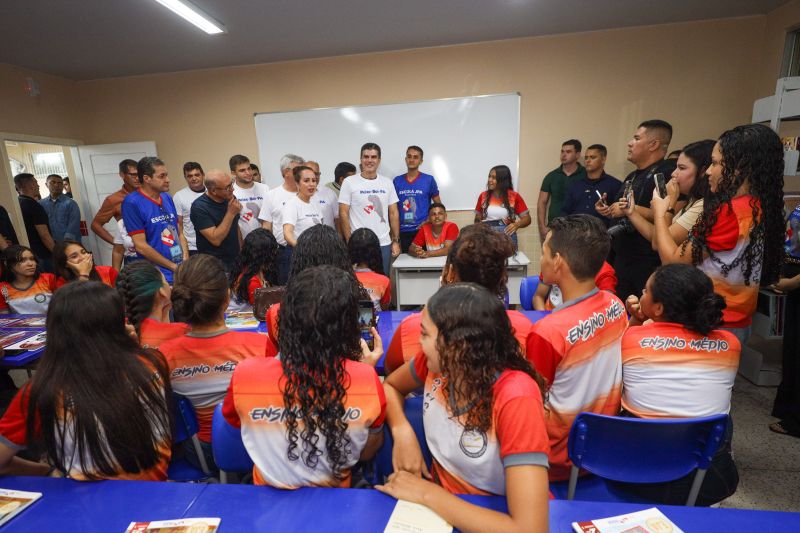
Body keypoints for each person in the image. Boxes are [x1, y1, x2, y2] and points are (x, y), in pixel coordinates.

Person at [378, 283, 549, 532]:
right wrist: (402, 431)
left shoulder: (516, 397)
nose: (419, 341)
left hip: (489, 513)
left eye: (425, 334)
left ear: (455, 346)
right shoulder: (435, 363)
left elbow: (531, 528)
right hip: (443, 513)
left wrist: (428, 494)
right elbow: (390, 386)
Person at [222, 265, 385, 488]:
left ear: (285, 319)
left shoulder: (244, 375)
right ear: (347, 326)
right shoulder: (366, 379)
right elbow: (367, 452)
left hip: (264, 504)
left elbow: (237, 427)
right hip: (337, 502)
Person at [0, 282, 172, 480]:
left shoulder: (43, 388)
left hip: (85, 501)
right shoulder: (154, 362)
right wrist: (133, 350)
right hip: (157, 489)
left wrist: (46, 472)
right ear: (118, 323)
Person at [619, 264, 740, 505]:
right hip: (706, 480)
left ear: (658, 307)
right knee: (723, 416)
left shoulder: (633, 338)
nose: (641, 293)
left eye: (646, 291)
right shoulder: (731, 344)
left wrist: (636, 319)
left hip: (635, 474)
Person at [651, 124, 785, 339]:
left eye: (714, 163)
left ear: (739, 166)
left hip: (712, 322)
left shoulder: (729, 212)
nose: (708, 172)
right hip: (736, 318)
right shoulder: (759, 206)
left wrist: (660, 212)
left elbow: (672, 262)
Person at [525, 215, 626, 481]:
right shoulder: (616, 306)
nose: (542, 259)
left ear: (558, 261)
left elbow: (531, 402)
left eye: (545, 252)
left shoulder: (548, 332)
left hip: (557, 460)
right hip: (601, 449)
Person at [160, 255, 267, 470]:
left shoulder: (164, 355)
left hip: (197, 454)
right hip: (253, 449)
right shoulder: (259, 346)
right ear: (227, 299)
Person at [385, 224, 534, 375]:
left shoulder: (416, 327)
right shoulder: (524, 328)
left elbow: (390, 371)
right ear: (501, 277)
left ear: (449, 274)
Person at [597, 119, 676, 301]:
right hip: (621, 260)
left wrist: (631, 210)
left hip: (646, 264)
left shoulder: (665, 173)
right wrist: (610, 210)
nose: (630, 143)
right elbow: (623, 210)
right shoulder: (632, 176)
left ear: (653, 144)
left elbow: (667, 213)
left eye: (636, 138)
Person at [623, 140, 714, 259]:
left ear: (703, 172)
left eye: (681, 168)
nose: (673, 174)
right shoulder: (693, 201)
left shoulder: (703, 206)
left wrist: (669, 203)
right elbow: (658, 234)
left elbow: (657, 243)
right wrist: (632, 213)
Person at [121, 157, 187, 284]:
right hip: (157, 276)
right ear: (147, 179)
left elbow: (179, 233)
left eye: (166, 175)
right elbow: (141, 246)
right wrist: (174, 267)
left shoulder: (166, 197)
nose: (168, 180)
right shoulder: (132, 203)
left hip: (179, 270)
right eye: (162, 176)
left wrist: (184, 262)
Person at [339, 143, 401, 276]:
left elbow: (393, 213)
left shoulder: (387, 182)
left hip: (383, 243)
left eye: (373, 157)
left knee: (382, 279)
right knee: (356, 283)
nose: (369, 160)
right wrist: (350, 240)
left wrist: (395, 241)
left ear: (379, 160)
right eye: (366, 157)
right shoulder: (349, 182)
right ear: (360, 159)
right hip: (358, 243)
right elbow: (343, 213)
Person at [771, 199, 800, 438]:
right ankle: (788, 409)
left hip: (796, 285)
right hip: (793, 291)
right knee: (792, 352)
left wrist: (792, 282)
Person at [116, 260, 188, 349]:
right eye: (165, 281)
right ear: (162, 292)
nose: (171, 287)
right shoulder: (181, 331)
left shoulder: (120, 329)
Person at [259, 153, 305, 285]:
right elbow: (266, 227)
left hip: (308, 250)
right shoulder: (272, 195)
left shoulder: (308, 193)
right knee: (287, 289)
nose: (302, 173)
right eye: (299, 170)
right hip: (284, 252)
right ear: (286, 172)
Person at [190, 169, 241, 274]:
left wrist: (242, 253)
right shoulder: (199, 207)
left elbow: (236, 227)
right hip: (214, 268)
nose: (232, 189)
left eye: (231, 184)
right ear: (213, 191)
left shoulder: (230, 198)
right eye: (227, 187)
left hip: (235, 262)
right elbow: (215, 239)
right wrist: (230, 213)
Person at [393, 146, 441, 253]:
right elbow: (393, 209)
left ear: (421, 161)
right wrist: (394, 235)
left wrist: (429, 220)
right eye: (409, 156)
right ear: (405, 159)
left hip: (423, 231)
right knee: (406, 266)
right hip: (403, 231)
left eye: (415, 157)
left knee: (425, 265)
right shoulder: (397, 181)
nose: (412, 159)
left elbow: (438, 206)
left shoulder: (428, 180)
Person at [537, 139, 586, 242]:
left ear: (577, 155)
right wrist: (542, 227)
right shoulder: (551, 176)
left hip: (579, 228)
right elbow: (542, 202)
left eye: (568, 152)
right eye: (562, 151)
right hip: (555, 228)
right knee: (554, 257)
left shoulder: (586, 175)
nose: (564, 155)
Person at [473, 165, 531, 248]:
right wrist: (479, 225)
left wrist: (517, 225)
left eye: (493, 178)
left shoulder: (514, 196)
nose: (489, 180)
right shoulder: (483, 196)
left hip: (507, 239)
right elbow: (477, 219)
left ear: (502, 180)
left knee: (509, 261)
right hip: (487, 239)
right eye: (489, 177)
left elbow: (527, 219)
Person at [562, 144, 620, 225]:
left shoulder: (615, 185)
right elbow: (565, 213)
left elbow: (620, 216)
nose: (587, 161)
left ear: (603, 159)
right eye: (586, 158)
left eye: (592, 157)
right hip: (575, 234)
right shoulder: (575, 185)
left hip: (602, 234)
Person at [228, 228, 279, 314]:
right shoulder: (252, 280)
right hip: (245, 321)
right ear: (265, 255)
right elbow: (262, 309)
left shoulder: (247, 268)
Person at [532, 260, 617, 311]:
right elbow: (538, 296)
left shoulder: (604, 272)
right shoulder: (552, 262)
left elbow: (607, 310)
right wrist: (543, 318)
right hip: (550, 317)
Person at [91, 159, 140, 246]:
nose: (137, 178)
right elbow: (95, 225)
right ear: (122, 175)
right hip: (133, 250)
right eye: (133, 175)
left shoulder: (149, 194)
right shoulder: (114, 199)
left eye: (139, 174)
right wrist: (118, 243)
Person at [0, 245, 59, 314]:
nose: (31, 264)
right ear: (8, 264)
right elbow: (5, 319)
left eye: (32, 259)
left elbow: (63, 306)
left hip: (52, 323)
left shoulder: (48, 279)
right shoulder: (2, 289)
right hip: (19, 325)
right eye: (22, 260)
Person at [14, 173, 55, 272]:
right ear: (31, 185)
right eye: (36, 182)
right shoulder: (34, 206)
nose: (38, 185)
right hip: (42, 255)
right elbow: (44, 235)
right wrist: (57, 253)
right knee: (50, 282)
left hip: (27, 253)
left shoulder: (17, 203)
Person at [348, 228, 391, 311]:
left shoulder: (343, 278)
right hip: (376, 322)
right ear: (376, 251)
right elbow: (384, 308)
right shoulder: (384, 281)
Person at [282, 165, 325, 247]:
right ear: (297, 183)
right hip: (298, 253)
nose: (311, 184)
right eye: (306, 181)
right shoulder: (292, 204)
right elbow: (287, 234)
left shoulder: (316, 204)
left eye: (314, 180)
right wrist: (301, 249)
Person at [172, 162, 207, 256]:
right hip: (193, 247)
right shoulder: (179, 196)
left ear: (203, 175)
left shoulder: (212, 191)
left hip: (213, 243)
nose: (194, 178)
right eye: (190, 176)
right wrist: (184, 251)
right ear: (186, 177)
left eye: (197, 175)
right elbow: (178, 225)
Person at [231, 154, 268, 240]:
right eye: (242, 170)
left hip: (267, 240)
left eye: (249, 168)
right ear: (233, 173)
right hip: (245, 243)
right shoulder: (231, 192)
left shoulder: (264, 188)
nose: (248, 173)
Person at [52, 239, 118, 287]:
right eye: (74, 256)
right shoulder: (61, 282)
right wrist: (84, 274)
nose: (83, 257)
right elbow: (77, 303)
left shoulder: (108, 271)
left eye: (83, 252)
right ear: (65, 264)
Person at [40, 173, 81, 242]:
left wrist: (66, 242)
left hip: (70, 243)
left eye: (59, 183)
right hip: (49, 243)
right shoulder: (41, 204)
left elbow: (74, 224)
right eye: (53, 182)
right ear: (46, 185)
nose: (56, 185)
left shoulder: (71, 203)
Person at [304, 160, 340, 233]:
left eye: (317, 173)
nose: (314, 176)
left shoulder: (330, 193)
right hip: (304, 241)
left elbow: (337, 219)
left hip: (328, 240)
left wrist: (340, 238)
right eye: (310, 173)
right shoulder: (296, 194)